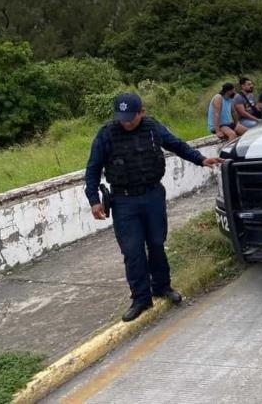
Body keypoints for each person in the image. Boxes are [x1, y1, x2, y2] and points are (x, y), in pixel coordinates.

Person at [85, 92, 223, 322]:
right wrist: (93, 199)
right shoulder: (106, 134)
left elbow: (176, 145)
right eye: (122, 117)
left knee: (157, 243)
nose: (126, 122)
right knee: (132, 250)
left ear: (142, 112)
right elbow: (92, 168)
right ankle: (140, 299)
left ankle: (162, 287)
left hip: (152, 196)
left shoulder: (152, 128)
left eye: (131, 117)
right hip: (124, 200)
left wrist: (200, 159)